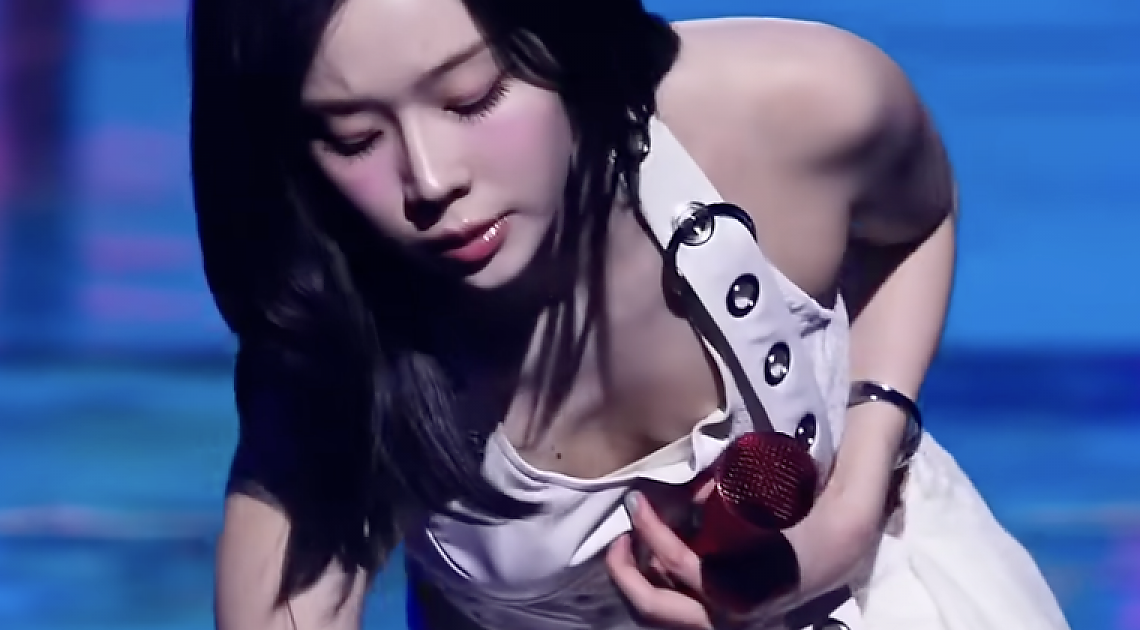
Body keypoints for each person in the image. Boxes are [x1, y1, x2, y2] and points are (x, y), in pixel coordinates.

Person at [191, 0, 1071, 628]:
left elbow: (913, 223)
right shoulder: (331, 353)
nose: (430, 179)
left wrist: (859, 479)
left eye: (473, 97)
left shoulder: (787, 106)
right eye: (352, 137)